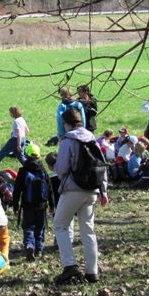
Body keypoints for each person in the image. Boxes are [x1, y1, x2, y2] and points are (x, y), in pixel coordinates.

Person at [53, 109, 109, 284]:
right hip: (93, 190)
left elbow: (61, 168)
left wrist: (62, 176)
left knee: (60, 225)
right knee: (88, 230)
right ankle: (92, 272)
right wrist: (103, 191)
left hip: (73, 189)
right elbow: (102, 166)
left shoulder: (68, 140)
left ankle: (70, 266)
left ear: (66, 123)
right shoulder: (93, 139)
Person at [12, 143, 53, 260]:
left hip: (27, 205)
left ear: (26, 155)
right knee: (40, 227)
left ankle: (30, 246)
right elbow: (49, 189)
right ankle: (39, 249)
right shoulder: (43, 170)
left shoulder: (23, 170)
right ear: (39, 156)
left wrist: (15, 206)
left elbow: (17, 190)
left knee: (28, 227)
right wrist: (52, 205)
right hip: (42, 205)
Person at [0, 106, 28, 171]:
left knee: (2, 152)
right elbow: (27, 130)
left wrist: (18, 144)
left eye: (10, 112)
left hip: (15, 140)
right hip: (23, 139)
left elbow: (18, 133)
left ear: (13, 113)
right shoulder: (22, 119)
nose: (9, 114)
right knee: (20, 156)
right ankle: (30, 167)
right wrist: (23, 138)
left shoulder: (16, 121)